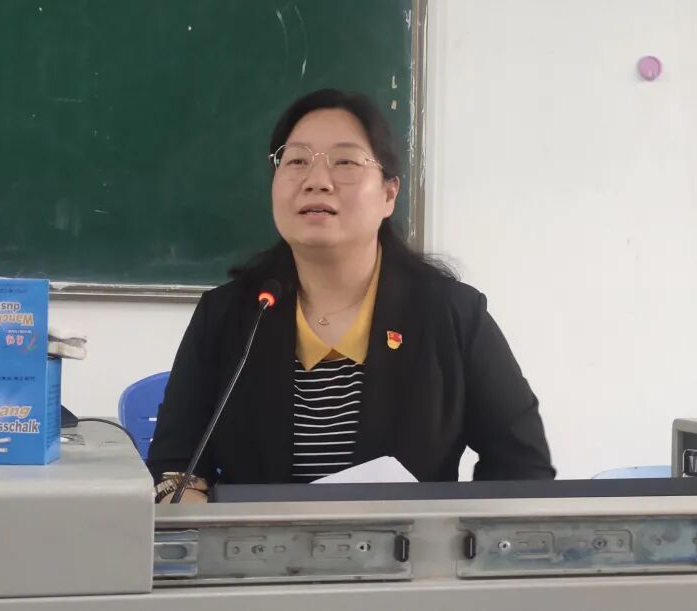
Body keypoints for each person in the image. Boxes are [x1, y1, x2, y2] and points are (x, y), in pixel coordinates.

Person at [147, 89, 553, 502]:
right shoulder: (230, 315)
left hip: (408, 544)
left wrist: (454, 532)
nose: (316, 181)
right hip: (257, 545)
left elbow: (523, 467)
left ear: (389, 194)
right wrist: (185, 498)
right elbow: (173, 463)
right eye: (296, 161)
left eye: (345, 162)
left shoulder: (453, 315)